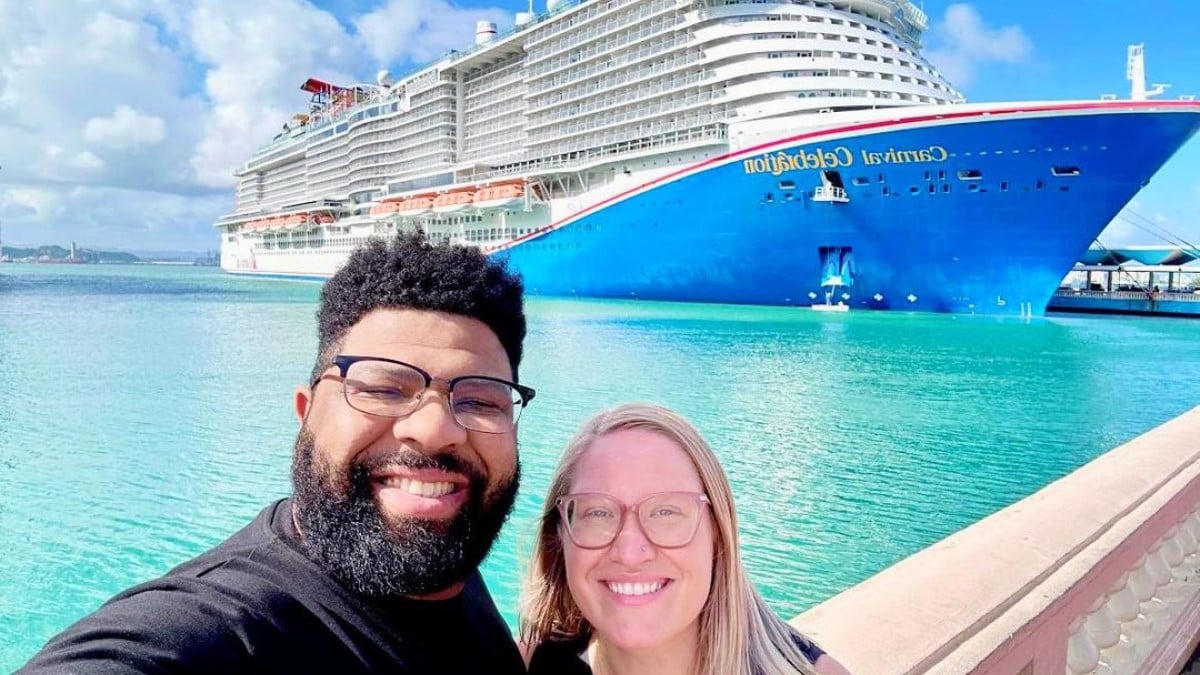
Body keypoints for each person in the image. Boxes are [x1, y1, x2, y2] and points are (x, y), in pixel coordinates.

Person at [20, 233, 535, 674]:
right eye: (383, 388)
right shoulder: (221, 629)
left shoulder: (444, 562)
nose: (435, 430)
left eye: (479, 399)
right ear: (306, 411)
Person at [521, 403, 851, 675]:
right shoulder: (527, 665)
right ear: (559, 536)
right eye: (598, 513)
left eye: (666, 512)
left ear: (718, 536)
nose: (629, 552)